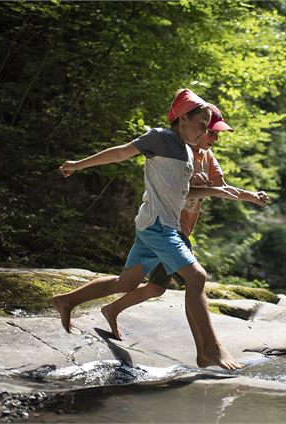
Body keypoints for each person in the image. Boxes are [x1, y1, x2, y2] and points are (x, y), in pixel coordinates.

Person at [52, 88, 243, 370]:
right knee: (197, 277)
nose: (204, 132)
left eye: (206, 127)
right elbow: (121, 153)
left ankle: (67, 300)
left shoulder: (187, 152)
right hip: (158, 227)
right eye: (201, 125)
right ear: (182, 117)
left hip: (153, 227)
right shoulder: (161, 138)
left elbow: (185, 191)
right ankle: (209, 349)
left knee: (126, 284)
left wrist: (231, 192)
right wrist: (79, 164)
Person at [101, 104, 270, 341]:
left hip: (179, 230)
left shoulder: (207, 156)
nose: (214, 138)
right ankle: (208, 348)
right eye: (210, 132)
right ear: (195, 130)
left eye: (215, 133)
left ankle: (110, 309)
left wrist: (250, 196)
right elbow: (180, 190)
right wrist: (196, 182)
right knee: (194, 280)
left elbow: (220, 188)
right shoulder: (174, 150)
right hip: (167, 229)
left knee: (155, 287)